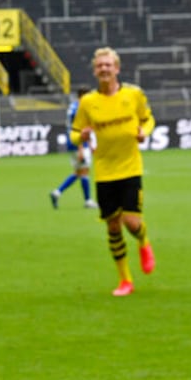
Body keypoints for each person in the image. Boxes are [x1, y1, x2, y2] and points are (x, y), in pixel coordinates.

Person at [72, 48, 156, 297]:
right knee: (112, 227)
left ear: (117, 68)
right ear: (95, 70)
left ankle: (143, 241)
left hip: (130, 168)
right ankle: (125, 280)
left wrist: (145, 132)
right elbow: (74, 132)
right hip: (105, 172)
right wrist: (82, 136)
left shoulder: (134, 95)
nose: (104, 69)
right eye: (100, 66)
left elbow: (148, 119)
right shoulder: (88, 102)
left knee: (131, 223)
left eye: (108, 65)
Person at [51, 92, 96, 210]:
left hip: (70, 142)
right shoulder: (80, 110)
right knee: (84, 172)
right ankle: (88, 200)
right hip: (79, 143)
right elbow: (80, 130)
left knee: (78, 172)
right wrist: (82, 148)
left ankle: (57, 192)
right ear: (82, 96)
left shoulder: (73, 106)